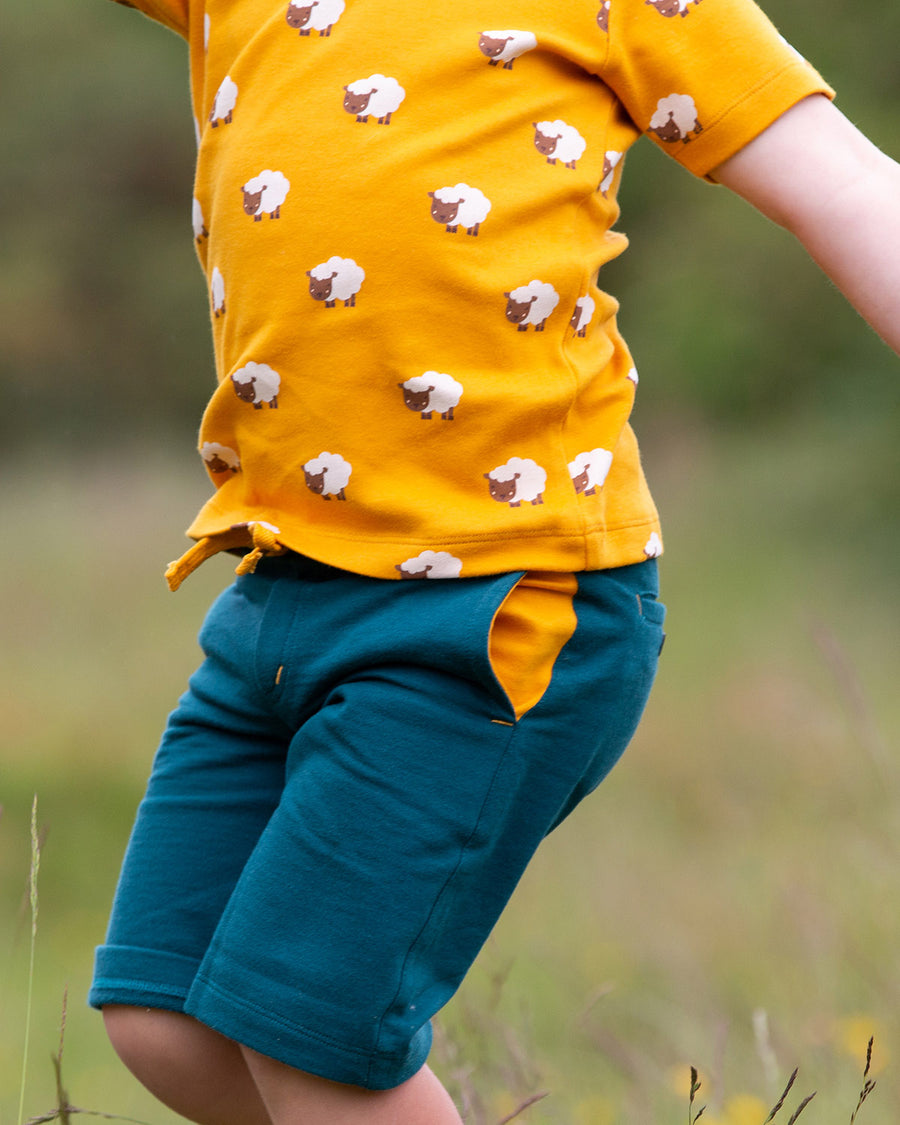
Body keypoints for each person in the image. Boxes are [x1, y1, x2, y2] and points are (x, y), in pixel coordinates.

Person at [88, 0, 900, 1122]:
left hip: (500, 601)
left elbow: (849, 186)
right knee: (163, 1018)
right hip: (280, 585)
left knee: (310, 1041)